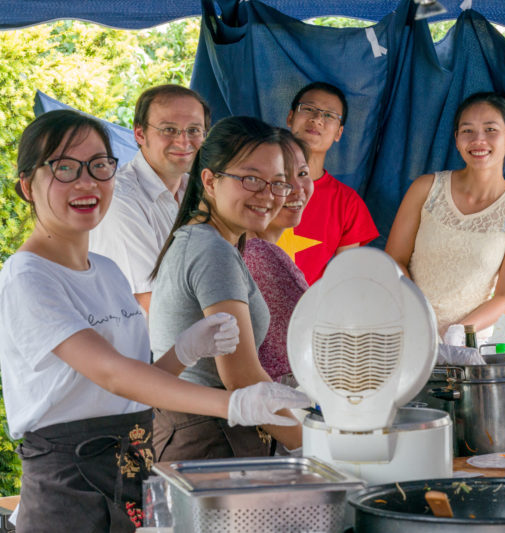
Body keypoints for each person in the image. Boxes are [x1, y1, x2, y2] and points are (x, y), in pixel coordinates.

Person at [0, 109, 310, 532]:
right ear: (27, 186)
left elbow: (135, 388)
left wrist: (180, 354)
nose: (87, 182)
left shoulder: (107, 271)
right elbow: (111, 374)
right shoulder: (26, 276)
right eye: (65, 168)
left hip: (133, 475)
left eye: (99, 165)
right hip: (68, 491)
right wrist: (232, 403)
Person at [149, 115, 305, 461]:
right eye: (251, 179)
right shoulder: (212, 251)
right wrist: (310, 445)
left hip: (202, 434)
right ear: (209, 180)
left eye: (278, 183)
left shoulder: (208, 242)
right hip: (209, 441)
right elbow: (242, 377)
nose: (267, 196)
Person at [385, 92, 505, 339]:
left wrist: (458, 332)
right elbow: (393, 259)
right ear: (456, 139)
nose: (479, 140)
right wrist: (419, 319)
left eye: (491, 130)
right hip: (405, 330)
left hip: (468, 344)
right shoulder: (426, 188)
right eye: (468, 131)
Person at [90, 84, 210, 313]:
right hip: (145, 347)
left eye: (194, 130)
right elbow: (154, 306)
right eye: (169, 130)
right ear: (139, 134)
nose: (184, 142)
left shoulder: (196, 191)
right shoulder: (119, 199)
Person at [280, 81, 379, 285]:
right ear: (290, 117)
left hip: (307, 312)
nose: (317, 120)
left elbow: (344, 280)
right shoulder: (257, 182)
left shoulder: (348, 203)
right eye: (308, 109)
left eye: (329, 115)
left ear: (339, 133)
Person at [243, 131, 312, 380]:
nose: (297, 189)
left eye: (303, 174)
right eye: (281, 179)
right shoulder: (259, 254)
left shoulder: (254, 248)